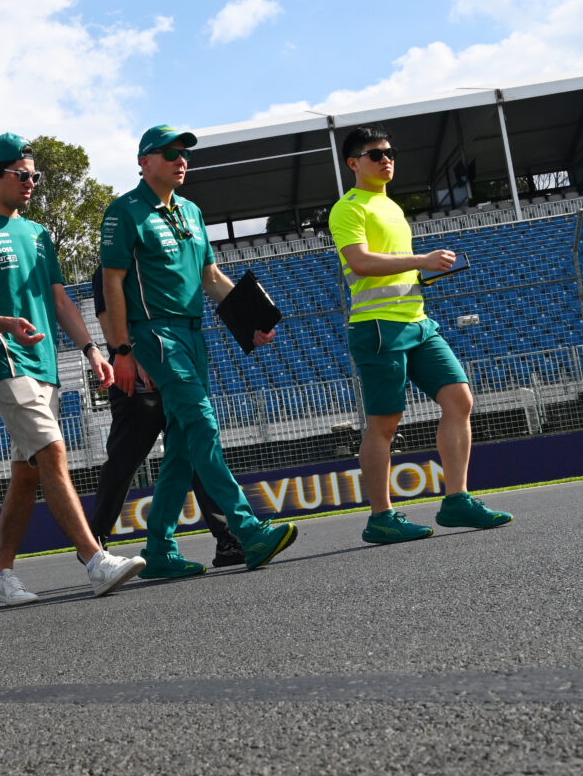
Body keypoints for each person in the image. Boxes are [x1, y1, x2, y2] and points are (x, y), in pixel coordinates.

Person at [0, 133, 145, 603]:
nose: (31, 183)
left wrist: (92, 349)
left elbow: (59, 300)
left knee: (28, 472)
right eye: (22, 175)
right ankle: (95, 560)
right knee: (53, 453)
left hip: (45, 366)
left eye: (35, 176)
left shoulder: (37, 233)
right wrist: (5, 324)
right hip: (5, 361)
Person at [97, 125, 300, 576]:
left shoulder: (191, 210)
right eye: (170, 153)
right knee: (203, 425)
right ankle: (248, 529)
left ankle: (159, 549)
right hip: (156, 335)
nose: (181, 160)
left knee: (183, 446)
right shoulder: (124, 212)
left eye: (185, 154)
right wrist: (122, 349)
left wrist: (250, 323)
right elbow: (111, 283)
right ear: (144, 162)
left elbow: (211, 277)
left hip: (193, 334)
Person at [329, 125, 512, 542]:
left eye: (390, 153)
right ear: (353, 163)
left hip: (417, 321)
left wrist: (423, 272)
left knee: (459, 399)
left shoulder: (391, 207)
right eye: (376, 155)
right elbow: (360, 262)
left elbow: (393, 267)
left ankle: (457, 500)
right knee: (385, 424)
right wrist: (420, 260)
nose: (386, 160)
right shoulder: (348, 208)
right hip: (379, 327)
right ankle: (381, 517)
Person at [83, 265, 243, 567]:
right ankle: (92, 542)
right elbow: (108, 317)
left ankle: (226, 538)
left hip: (171, 367)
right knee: (123, 462)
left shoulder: (154, 261)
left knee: (193, 449)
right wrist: (134, 356)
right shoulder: (110, 266)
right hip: (135, 382)